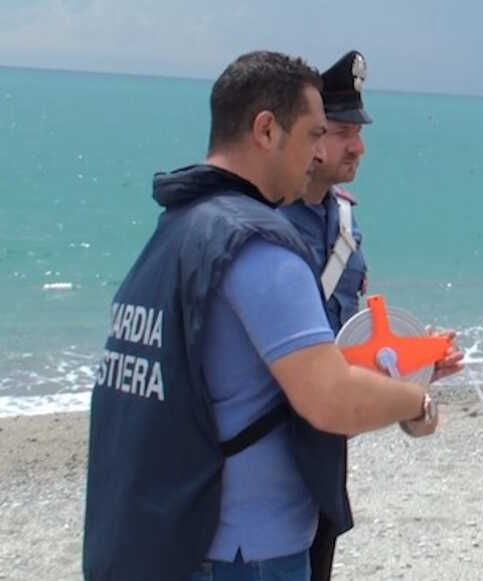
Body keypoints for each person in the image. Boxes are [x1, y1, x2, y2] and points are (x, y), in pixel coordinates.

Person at [82, 51, 440, 581]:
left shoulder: (179, 228)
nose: (318, 152)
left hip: (159, 535)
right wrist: (417, 400)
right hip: (244, 550)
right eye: (315, 134)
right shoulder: (260, 247)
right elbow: (331, 398)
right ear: (267, 130)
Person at [279, 49, 463, 581]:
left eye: (358, 132)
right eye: (341, 131)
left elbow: (343, 348)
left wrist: (411, 366)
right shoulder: (265, 221)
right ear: (309, 134)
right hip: (270, 461)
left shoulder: (343, 221)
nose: (357, 146)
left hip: (324, 459)